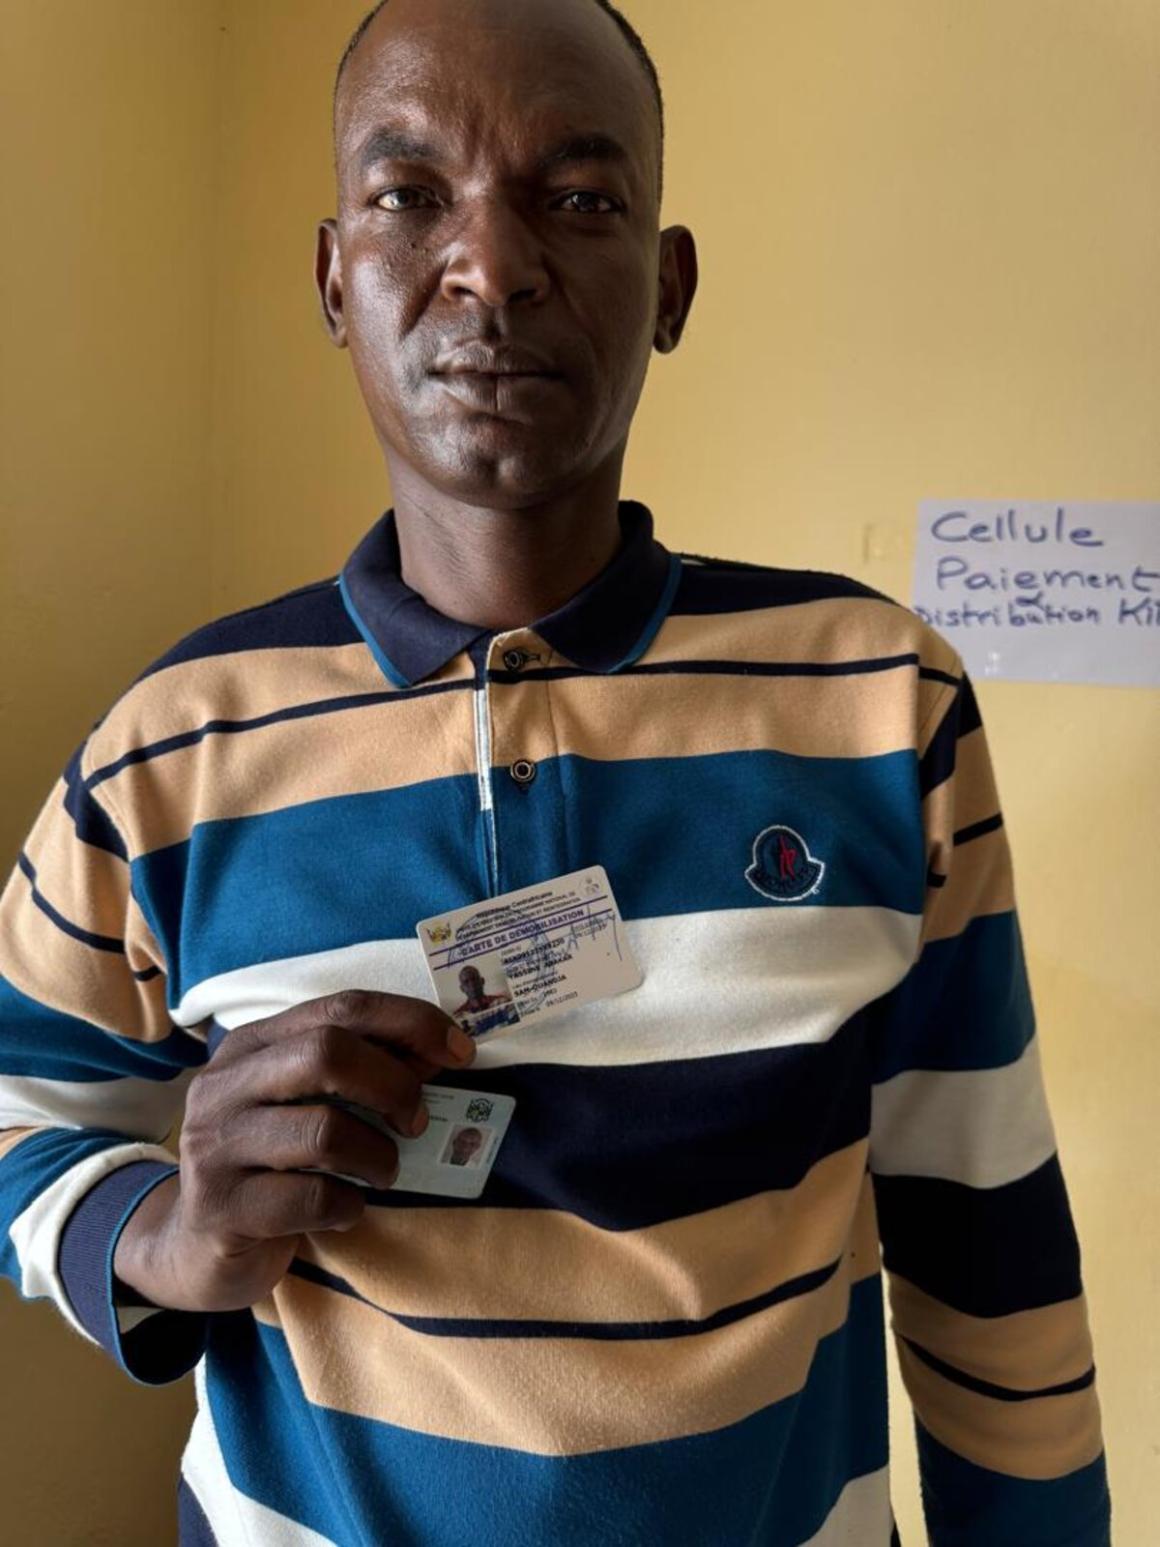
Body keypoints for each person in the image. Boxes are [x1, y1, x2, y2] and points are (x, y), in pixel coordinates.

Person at [0, 0, 1112, 1543]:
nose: (493, 265)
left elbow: (985, 1234)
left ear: (667, 286)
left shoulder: (880, 702)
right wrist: (164, 1234)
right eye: (408, 197)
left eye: (576, 201)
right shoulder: (169, 748)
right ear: (335, 279)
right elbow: (17, 1116)